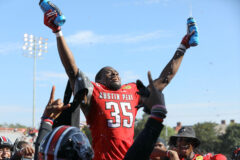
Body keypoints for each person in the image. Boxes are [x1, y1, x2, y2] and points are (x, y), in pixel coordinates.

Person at [43, 8, 195, 160]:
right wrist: (58, 32)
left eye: (116, 71)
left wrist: (183, 46)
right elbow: (72, 70)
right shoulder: (94, 91)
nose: (114, 73)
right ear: (99, 80)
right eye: (108, 72)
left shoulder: (132, 91)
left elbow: (165, 78)